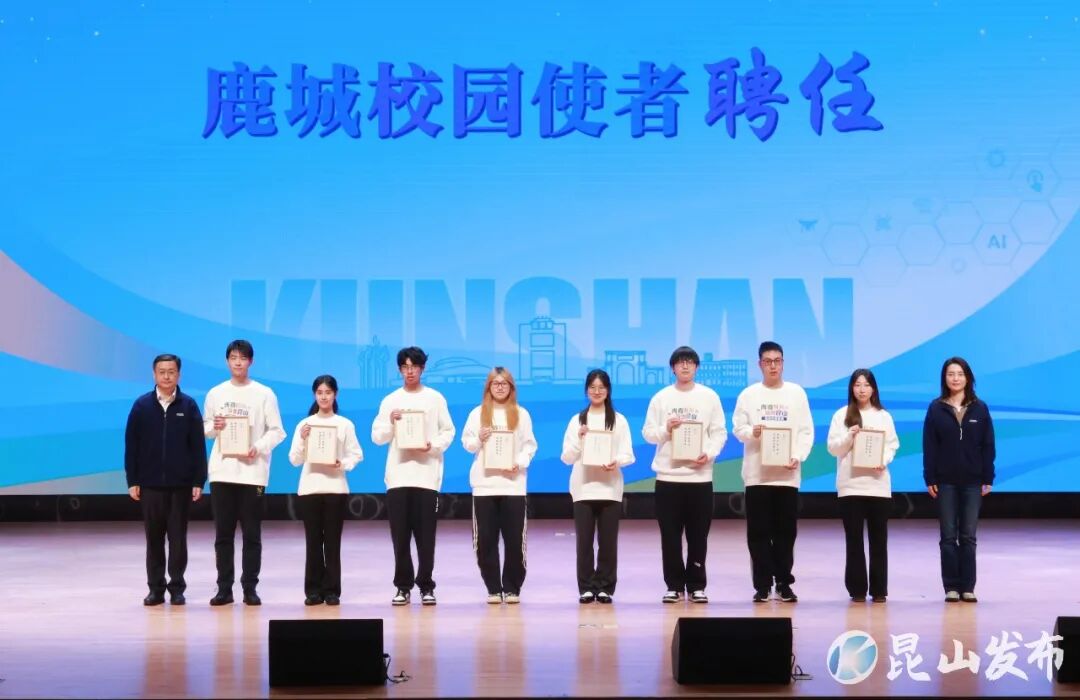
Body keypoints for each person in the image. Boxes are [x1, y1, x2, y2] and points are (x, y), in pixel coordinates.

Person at [642, 346, 728, 604]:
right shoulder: (661, 398)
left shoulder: (709, 397)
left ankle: (697, 585)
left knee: (698, 536)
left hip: (699, 478)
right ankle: (674, 585)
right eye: (680, 362)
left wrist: (709, 453)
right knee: (670, 536)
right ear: (673, 368)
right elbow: (648, 433)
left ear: (697, 367)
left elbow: (719, 433)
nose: (685, 366)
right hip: (668, 478)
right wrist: (666, 429)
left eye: (690, 362)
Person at [204, 339, 286, 606]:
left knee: (252, 534)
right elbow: (205, 429)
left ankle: (250, 587)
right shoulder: (216, 393)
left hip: (253, 473)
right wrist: (214, 426)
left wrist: (257, 447)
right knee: (223, 535)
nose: (237, 362)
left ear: (251, 361)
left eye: (242, 358)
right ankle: (224, 589)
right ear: (227, 361)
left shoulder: (264, 393)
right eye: (233, 358)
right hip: (222, 472)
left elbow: (277, 431)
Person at [371, 346, 456, 606]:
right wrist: (390, 421)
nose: (410, 372)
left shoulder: (435, 398)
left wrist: (432, 445)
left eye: (414, 367)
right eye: (405, 367)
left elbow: (448, 431)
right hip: (398, 477)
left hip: (426, 476)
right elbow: (377, 437)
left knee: (426, 537)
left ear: (422, 369)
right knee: (400, 537)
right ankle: (402, 586)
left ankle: (426, 586)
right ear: (400, 370)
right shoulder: (390, 400)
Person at [732, 341, 814, 603]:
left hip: (787, 476)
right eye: (768, 361)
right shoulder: (749, 395)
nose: (773, 366)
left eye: (777, 361)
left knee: (786, 534)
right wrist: (751, 432)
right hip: (757, 475)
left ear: (783, 363)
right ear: (760, 364)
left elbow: (805, 431)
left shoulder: (796, 393)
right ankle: (762, 585)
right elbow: (738, 428)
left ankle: (784, 583)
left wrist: (797, 456)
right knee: (758, 534)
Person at [125, 353, 207, 606]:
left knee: (178, 539)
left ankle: (177, 587)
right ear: (154, 374)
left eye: (171, 372)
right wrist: (132, 480)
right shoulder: (141, 406)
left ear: (178, 375)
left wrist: (198, 480)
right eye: (162, 372)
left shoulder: (188, 406)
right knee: (154, 539)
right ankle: (156, 588)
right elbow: (131, 445)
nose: (167, 376)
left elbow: (198, 446)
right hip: (149, 485)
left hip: (180, 485)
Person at [461, 367, 537, 604]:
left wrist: (519, 463)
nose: (500, 387)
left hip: (513, 486)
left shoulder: (521, 414)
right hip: (484, 486)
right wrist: (479, 438)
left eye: (504, 383)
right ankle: (493, 588)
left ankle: (512, 587)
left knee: (515, 540)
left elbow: (530, 446)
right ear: (489, 387)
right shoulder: (477, 414)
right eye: (496, 383)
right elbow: (467, 444)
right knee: (485, 540)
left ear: (511, 387)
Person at [923, 356, 995, 603]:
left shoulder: (980, 408)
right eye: (950, 374)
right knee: (947, 536)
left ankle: (968, 587)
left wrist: (988, 476)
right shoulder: (936, 408)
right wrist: (930, 476)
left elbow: (988, 445)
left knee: (968, 536)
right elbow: (929, 446)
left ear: (968, 378)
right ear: (944, 378)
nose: (955, 378)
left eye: (960, 374)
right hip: (945, 481)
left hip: (973, 481)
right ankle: (951, 587)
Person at [560, 369, 635, 604]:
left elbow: (628, 455)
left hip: (610, 488)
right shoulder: (577, 420)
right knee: (584, 542)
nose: (597, 391)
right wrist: (580, 439)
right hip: (583, 488)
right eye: (592, 387)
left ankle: (604, 587)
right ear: (586, 391)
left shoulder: (619, 420)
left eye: (601, 387)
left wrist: (616, 462)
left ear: (608, 390)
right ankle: (585, 587)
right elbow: (566, 457)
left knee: (608, 542)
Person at [287, 375, 363, 606]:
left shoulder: (344, 424)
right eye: (320, 392)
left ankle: (331, 591)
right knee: (312, 542)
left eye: (328, 392)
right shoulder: (305, 425)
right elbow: (294, 459)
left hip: (335, 489)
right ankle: (312, 591)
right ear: (314, 395)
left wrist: (342, 463)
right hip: (310, 489)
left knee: (332, 542)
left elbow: (356, 454)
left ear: (335, 394)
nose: (324, 397)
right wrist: (303, 439)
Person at [826, 369, 899, 603]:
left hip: (878, 486)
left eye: (866, 385)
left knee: (879, 540)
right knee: (854, 540)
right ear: (851, 388)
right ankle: (857, 589)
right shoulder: (841, 415)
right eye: (857, 385)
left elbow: (892, 445)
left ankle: (879, 590)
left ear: (874, 389)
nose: (862, 389)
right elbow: (833, 448)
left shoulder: (883, 416)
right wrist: (849, 436)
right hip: (850, 486)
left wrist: (882, 460)